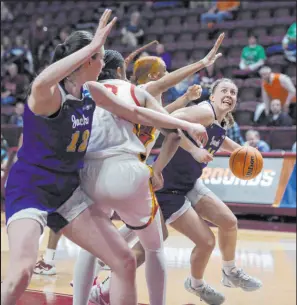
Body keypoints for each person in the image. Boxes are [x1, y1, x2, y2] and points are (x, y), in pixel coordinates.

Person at [2, 10, 207, 305]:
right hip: (31, 188)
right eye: (99, 57)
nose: (106, 62)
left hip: (68, 191)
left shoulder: (92, 91)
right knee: (22, 271)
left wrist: (185, 124)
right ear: (85, 59)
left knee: (123, 261)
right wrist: (93, 43)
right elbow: (39, 83)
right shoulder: (49, 94)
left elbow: (136, 113)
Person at [91, 79, 263, 305]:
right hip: (167, 188)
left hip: (187, 184)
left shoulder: (218, 122)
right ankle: (103, 287)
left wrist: (242, 151)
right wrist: (193, 150)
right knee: (154, 246)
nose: (229, 94)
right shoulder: (205, 112)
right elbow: (173, 123)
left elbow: (219, 139)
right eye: (224, 90)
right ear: (212, 96)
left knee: (228, 222)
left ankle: (227, 273)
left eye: (233, 91)